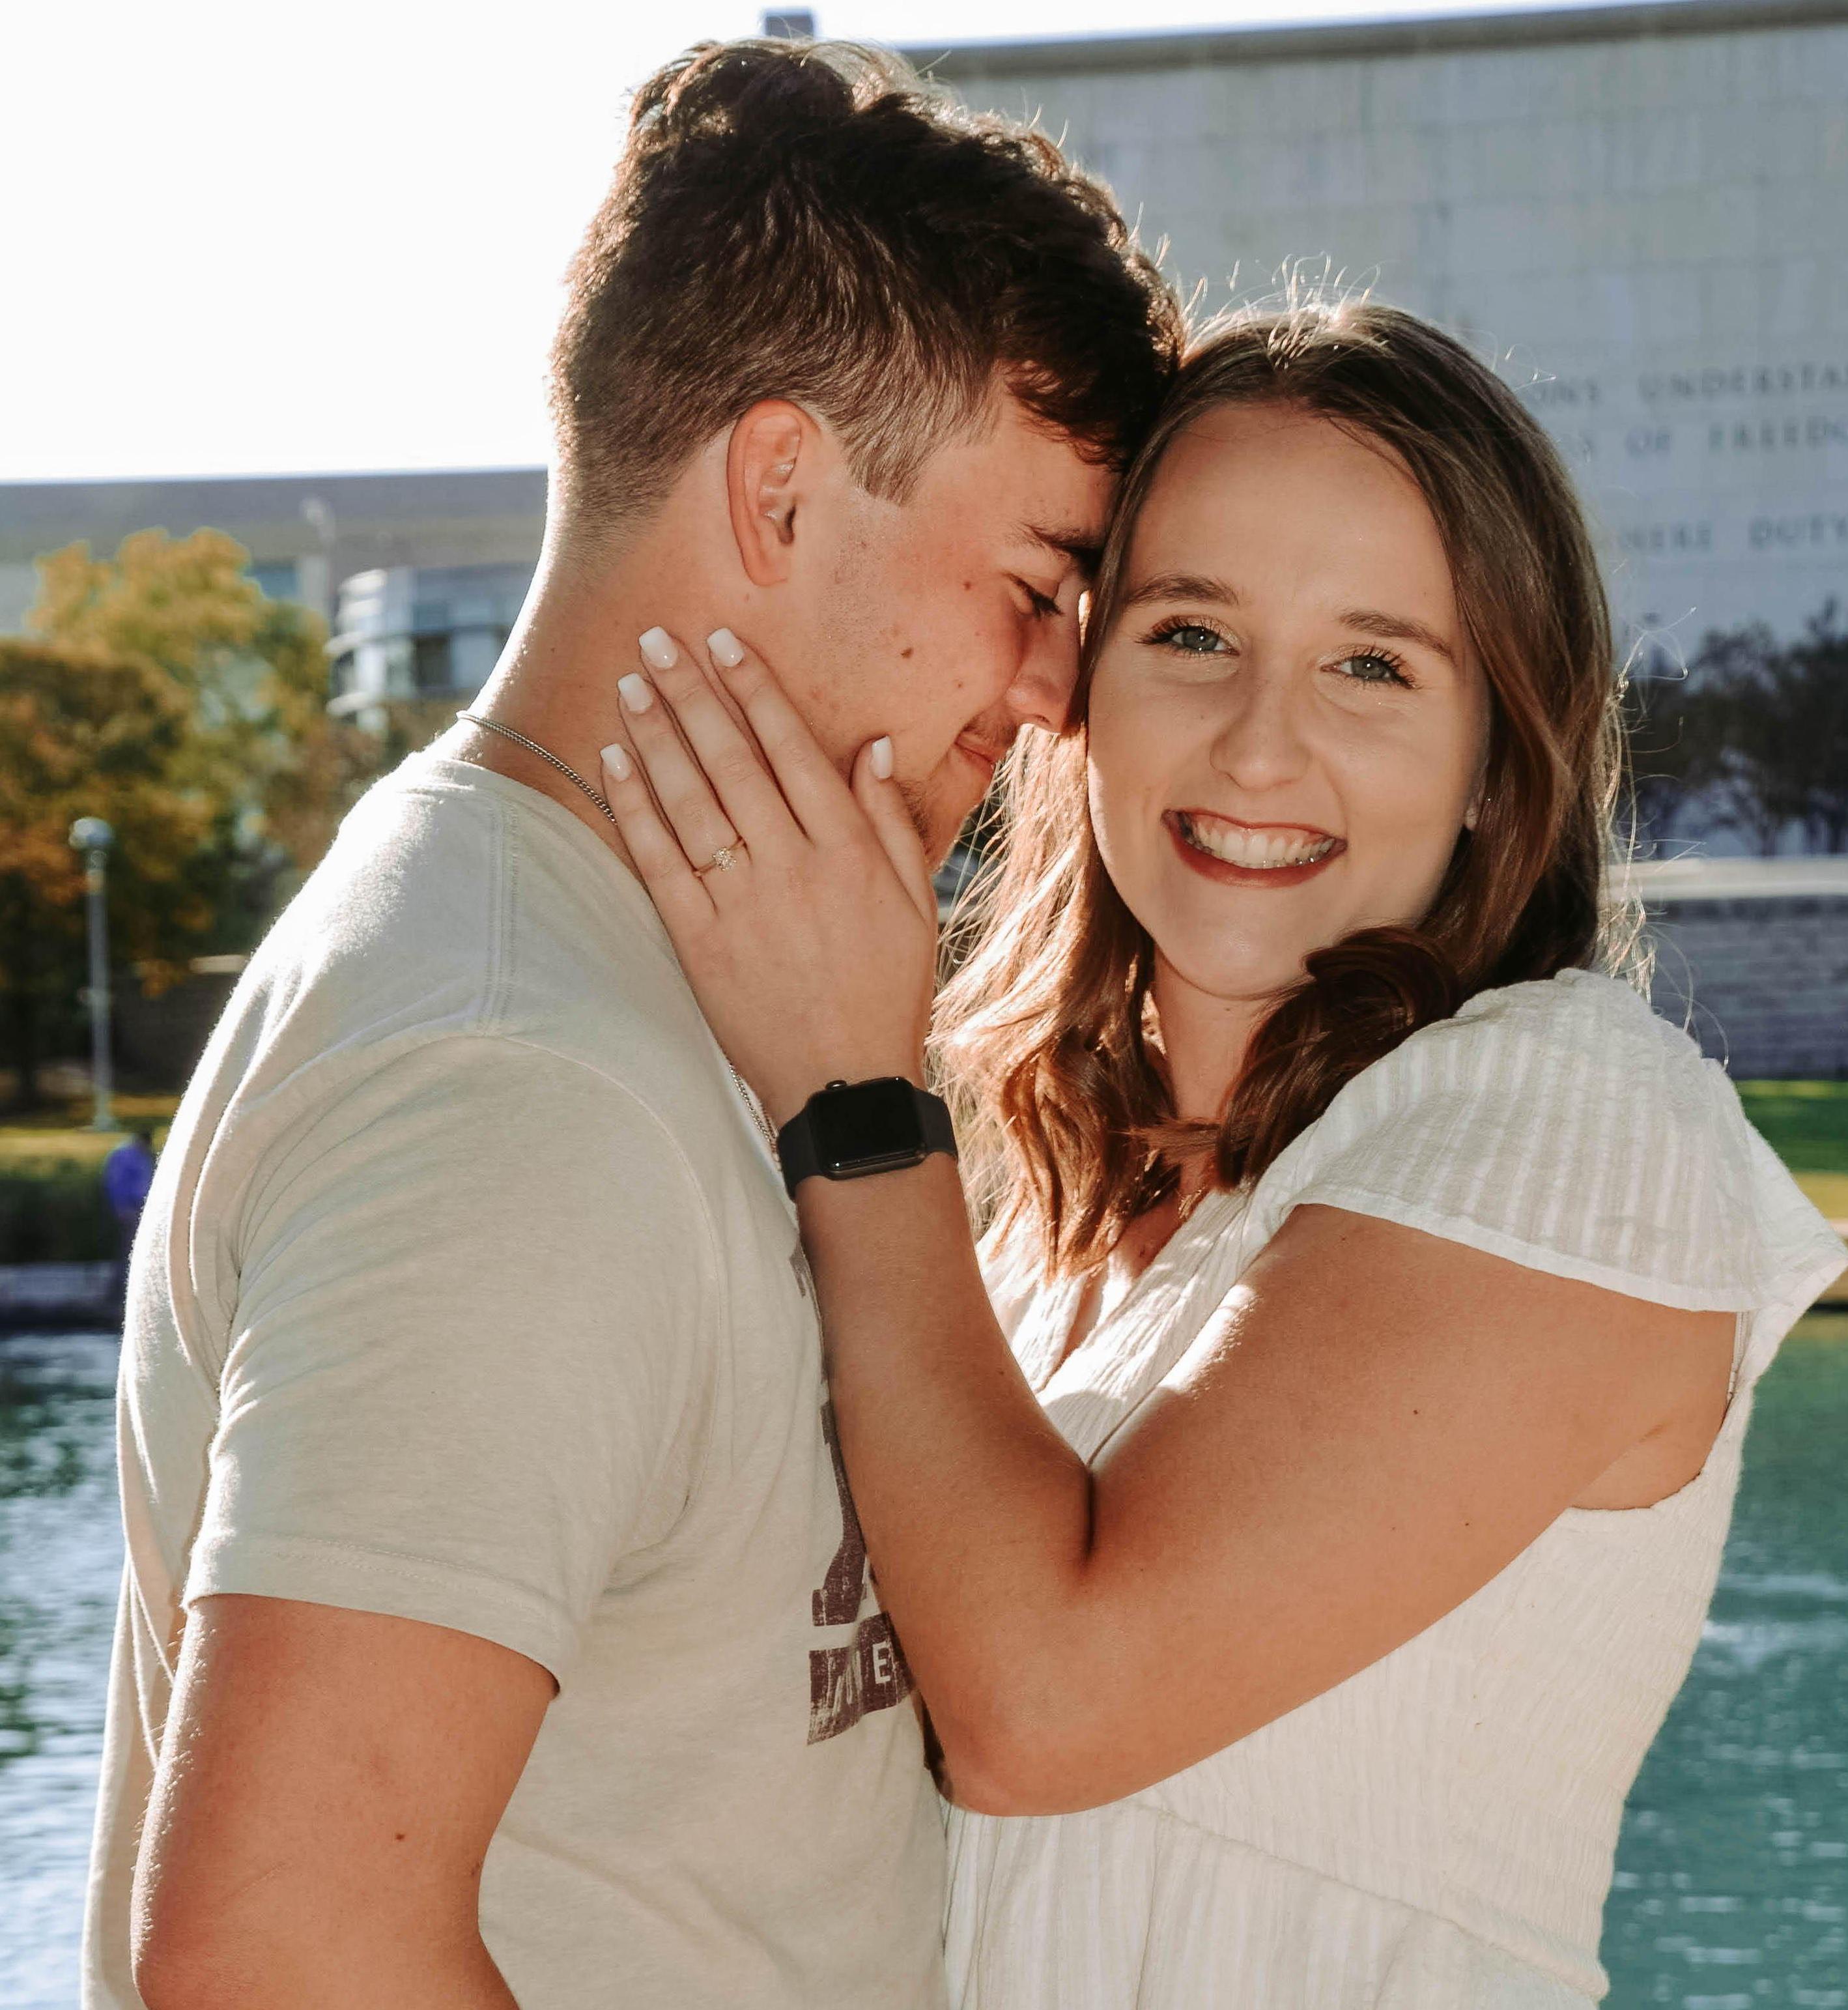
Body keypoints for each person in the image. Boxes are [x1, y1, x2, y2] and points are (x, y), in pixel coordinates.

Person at [88, 38, 1177, 2010]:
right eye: (1035, 583)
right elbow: (277, 1951)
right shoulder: (520, 1079)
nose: (1051, 697)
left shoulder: (606, 975)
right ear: (776, 483)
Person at [597, 301, 1848, 2008]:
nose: (1261, 745)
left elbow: (1045, 1700)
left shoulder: (1574, 1120)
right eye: (1192, 633)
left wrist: (849, 1086)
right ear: (1081, 687)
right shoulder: (1025, 1240)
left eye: (1371, 664)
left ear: (1497, 759)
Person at [100, 1126, 154, 1302]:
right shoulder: (125, 1156)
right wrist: (122, 1208)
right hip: (131, 1211)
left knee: (134, 1251)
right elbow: (117, 1184)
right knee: (128, 1253)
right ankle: (119, 1295)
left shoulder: (141, 1155)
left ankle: (126, 1293)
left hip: (141, 1212)